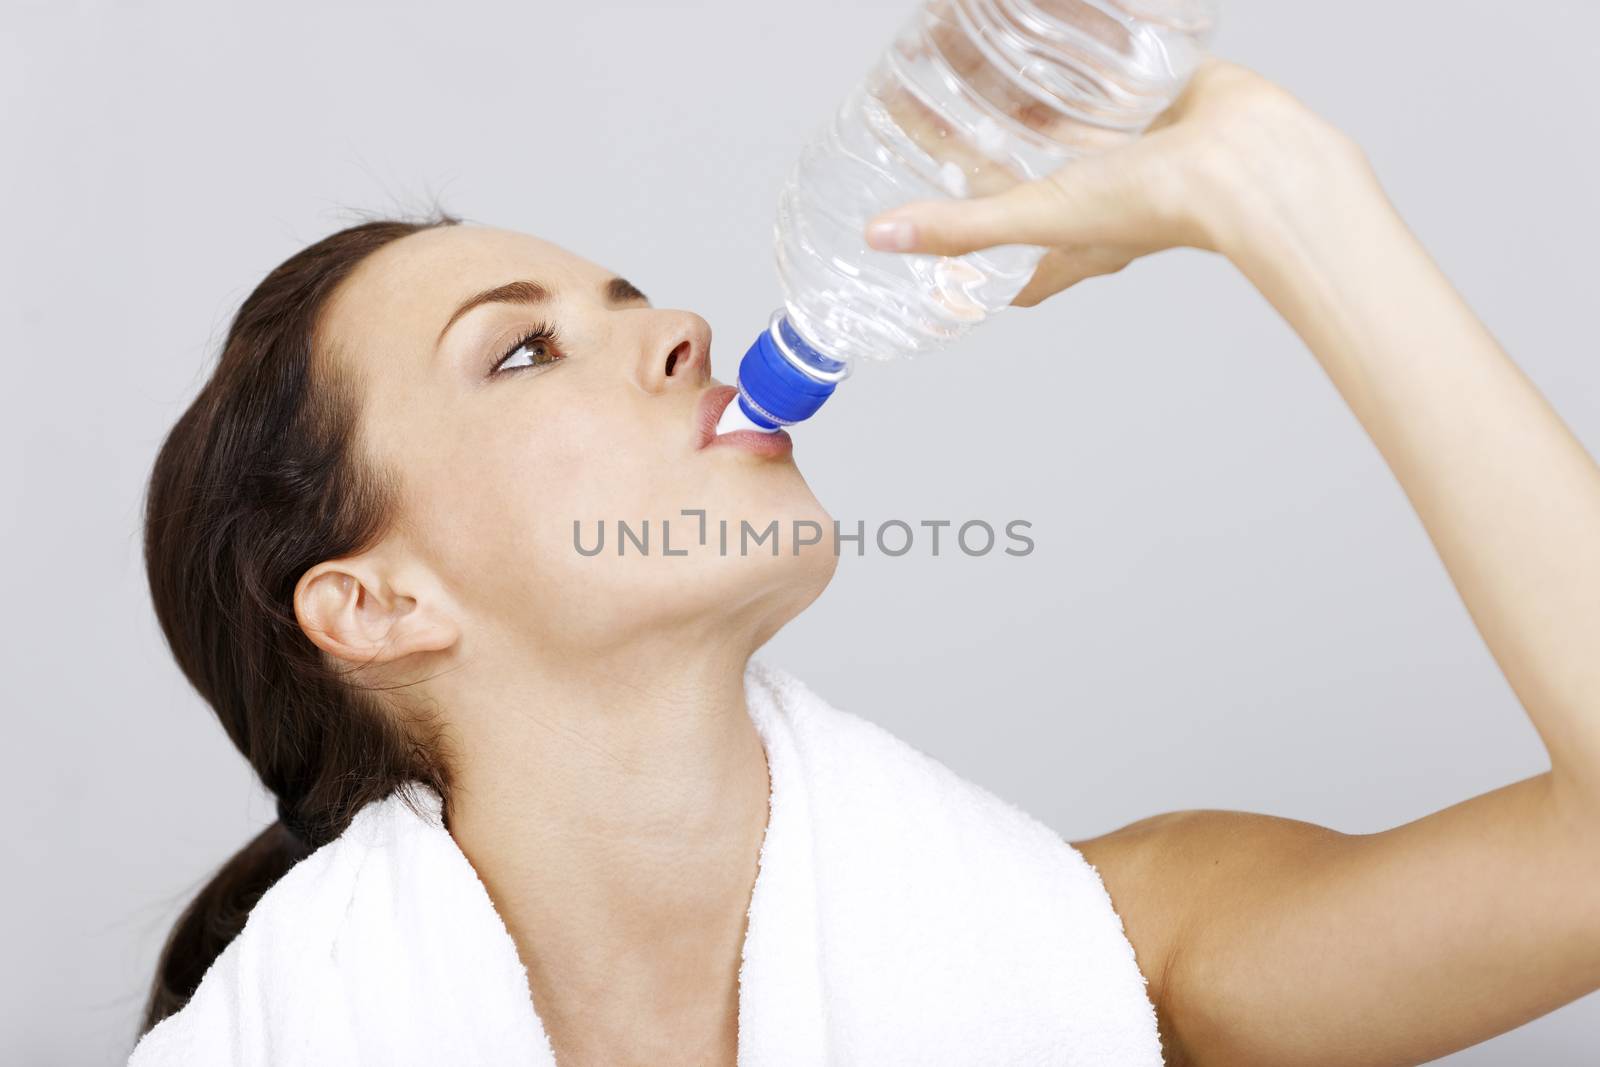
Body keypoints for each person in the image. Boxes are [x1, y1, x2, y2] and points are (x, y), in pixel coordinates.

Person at [133, 59, 1600, 1065]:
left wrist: (1289, 199)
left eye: (630, 296)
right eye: (522, 350)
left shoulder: (1121, 954)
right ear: (377, 603)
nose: (683, 330)